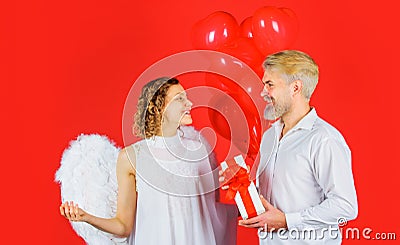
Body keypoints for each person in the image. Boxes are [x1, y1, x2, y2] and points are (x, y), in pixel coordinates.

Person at [60, 77, 237, 244]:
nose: (189, 104)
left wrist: (249, 204)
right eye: (179, 99)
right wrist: (87, 217)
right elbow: (123, 226)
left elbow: (209, 212)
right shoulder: (131, 156)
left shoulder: (199, 151)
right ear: (159, 108)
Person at [236, 50, 358, 244]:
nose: (263, 92)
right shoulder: (269, 136)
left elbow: (345, 206)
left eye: (270, 85)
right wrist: (240, 186)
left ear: (295, 88)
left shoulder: (323, 139)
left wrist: (287, 221)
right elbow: (275, 195)